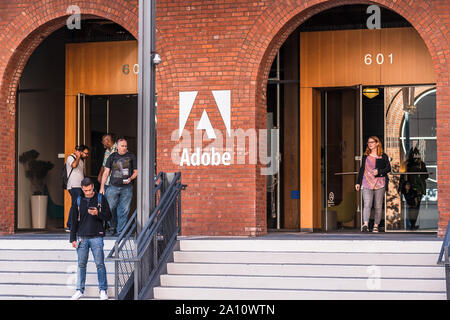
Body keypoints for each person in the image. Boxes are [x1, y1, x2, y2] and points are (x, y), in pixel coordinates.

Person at [70, 177, 111, 300]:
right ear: (82, 189)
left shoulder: (100, 198)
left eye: (89, 190)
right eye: (85, 190)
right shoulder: (78, 200)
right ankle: (79, 290)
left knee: (100, 264)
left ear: (93, 186)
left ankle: (103, 290)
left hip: (97, 236)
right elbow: (73, 220)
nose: (87, 192)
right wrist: (72, 238)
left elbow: (109, 216)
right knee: (81, 265)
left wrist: (97, 213)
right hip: (81, 237)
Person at [100, 138, 138, 235]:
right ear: (117, 147)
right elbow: (106, 172)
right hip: (113, 186)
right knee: (110, 207)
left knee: (124, 209)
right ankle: (112, 226)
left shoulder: (131, 156)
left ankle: (120, 231)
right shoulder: (112, 157)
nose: (124, 148)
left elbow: (136, 172)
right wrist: (102, 187)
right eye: (122, 146)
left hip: (127, 187)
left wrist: (130, 178)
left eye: (125, 146)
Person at [355, 136, 391, 233]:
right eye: (368, 142)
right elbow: (362, 169)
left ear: (377, 143)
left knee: (378, 206)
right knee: (367, 204)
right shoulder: (365, 156)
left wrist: (379, 171)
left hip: (380, 183)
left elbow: (388, 169)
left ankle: (376, 225)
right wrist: (358, 182)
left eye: (372, 142)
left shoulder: (383, 156)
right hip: (366, 183)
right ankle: (365, 224)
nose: (370, 144)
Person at [399, 147, 429, 230]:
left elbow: (426, 175)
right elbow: (402, 176)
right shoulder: (408, 164)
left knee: (413, 207)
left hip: (415, 188)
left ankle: (412, 224)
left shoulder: (420, 164)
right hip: (409, 188)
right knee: (413, 207)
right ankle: (412, 224)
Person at [97, 134, 118, 235]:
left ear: (107, 141)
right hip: (106, 182)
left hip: (113, 182)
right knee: (106, 204)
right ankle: (110, 226)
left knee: (112, 205)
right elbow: (104, 165)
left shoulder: (117, 149)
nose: (102, 143)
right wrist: (100, 176)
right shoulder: (107, 151)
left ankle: (114, 227)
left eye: (103, 141)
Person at [66, 145, 89, 231]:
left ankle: (73, 224)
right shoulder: (71, 158)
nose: (87, 155)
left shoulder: (82, 161)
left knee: (78, 205)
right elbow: (74, 165)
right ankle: (70, 225)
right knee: (75, 205)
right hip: (73, 186)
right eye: (85, 153)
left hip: (80, 187)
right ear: (80, 152)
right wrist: (78, 156)